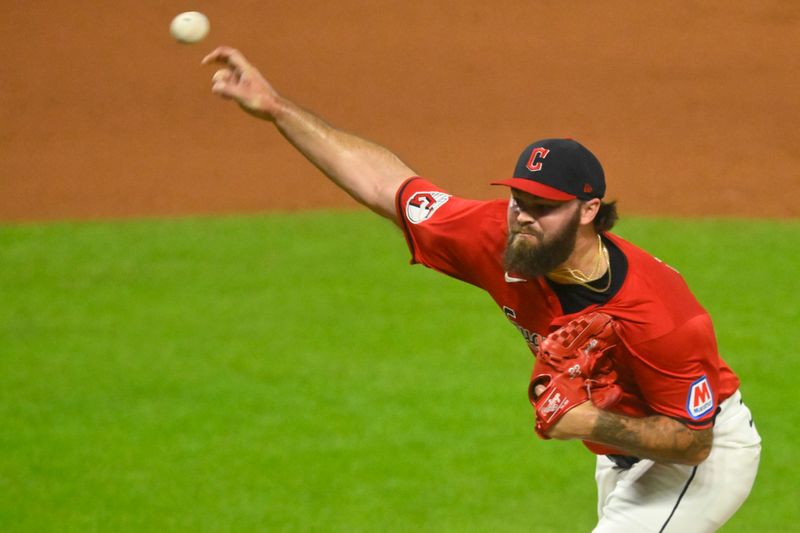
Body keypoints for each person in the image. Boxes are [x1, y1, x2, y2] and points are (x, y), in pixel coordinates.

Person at [202, 46, 761, 532]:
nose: (523, 217)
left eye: (543, 208)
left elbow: (694, 441)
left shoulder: (658, 313)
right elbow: (386, 185)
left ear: (589, 211)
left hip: (698, 455)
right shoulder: (496, 236)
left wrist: (584, 419)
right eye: (520, 199)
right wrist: (277, 109)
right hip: (621, 454)